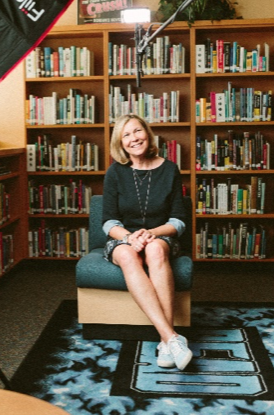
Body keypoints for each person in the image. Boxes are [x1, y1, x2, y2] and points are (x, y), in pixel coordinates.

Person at [102, 114, 192, 370]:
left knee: (154, 250)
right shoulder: (115, 172)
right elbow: (108, 222)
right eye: (126, 135)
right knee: (129, 255)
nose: (133, 138)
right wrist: (130, 238)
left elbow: (178, 220)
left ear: (148, 134)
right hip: (123, 238)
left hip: (159, 235)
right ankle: (171, 338)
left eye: (137, 131)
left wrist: (149, 233)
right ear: (120, 143)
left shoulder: (170, 168)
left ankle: (166, 342)